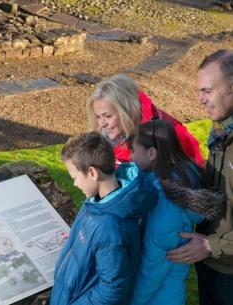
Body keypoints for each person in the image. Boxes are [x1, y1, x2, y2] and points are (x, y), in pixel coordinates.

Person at [50, 132, 157, 305]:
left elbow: (113, 289)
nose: (75, 184)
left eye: (75, 178)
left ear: (92, 173)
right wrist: (77, 238)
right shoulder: (96, 202)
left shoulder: (109, 226)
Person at [128, 120, 224, 305]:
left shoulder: (164, 206)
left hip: (156, 298)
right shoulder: (182, 174)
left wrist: (132, 300)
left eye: (133, 150)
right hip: (171, 291)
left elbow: (153, 266)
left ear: (151, 153)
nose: (130, 157)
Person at [167, 50, 233, 305]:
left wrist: (210, 246)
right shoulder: (220, 130)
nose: (200, 100)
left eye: (207, 91)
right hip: (210, 262)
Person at [86, 74, 204, 167]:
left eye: (107, 116)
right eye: (98, 117)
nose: (102, 124)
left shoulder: (168, 133)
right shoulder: (112, 138)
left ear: (127, 111)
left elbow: (191, 175)